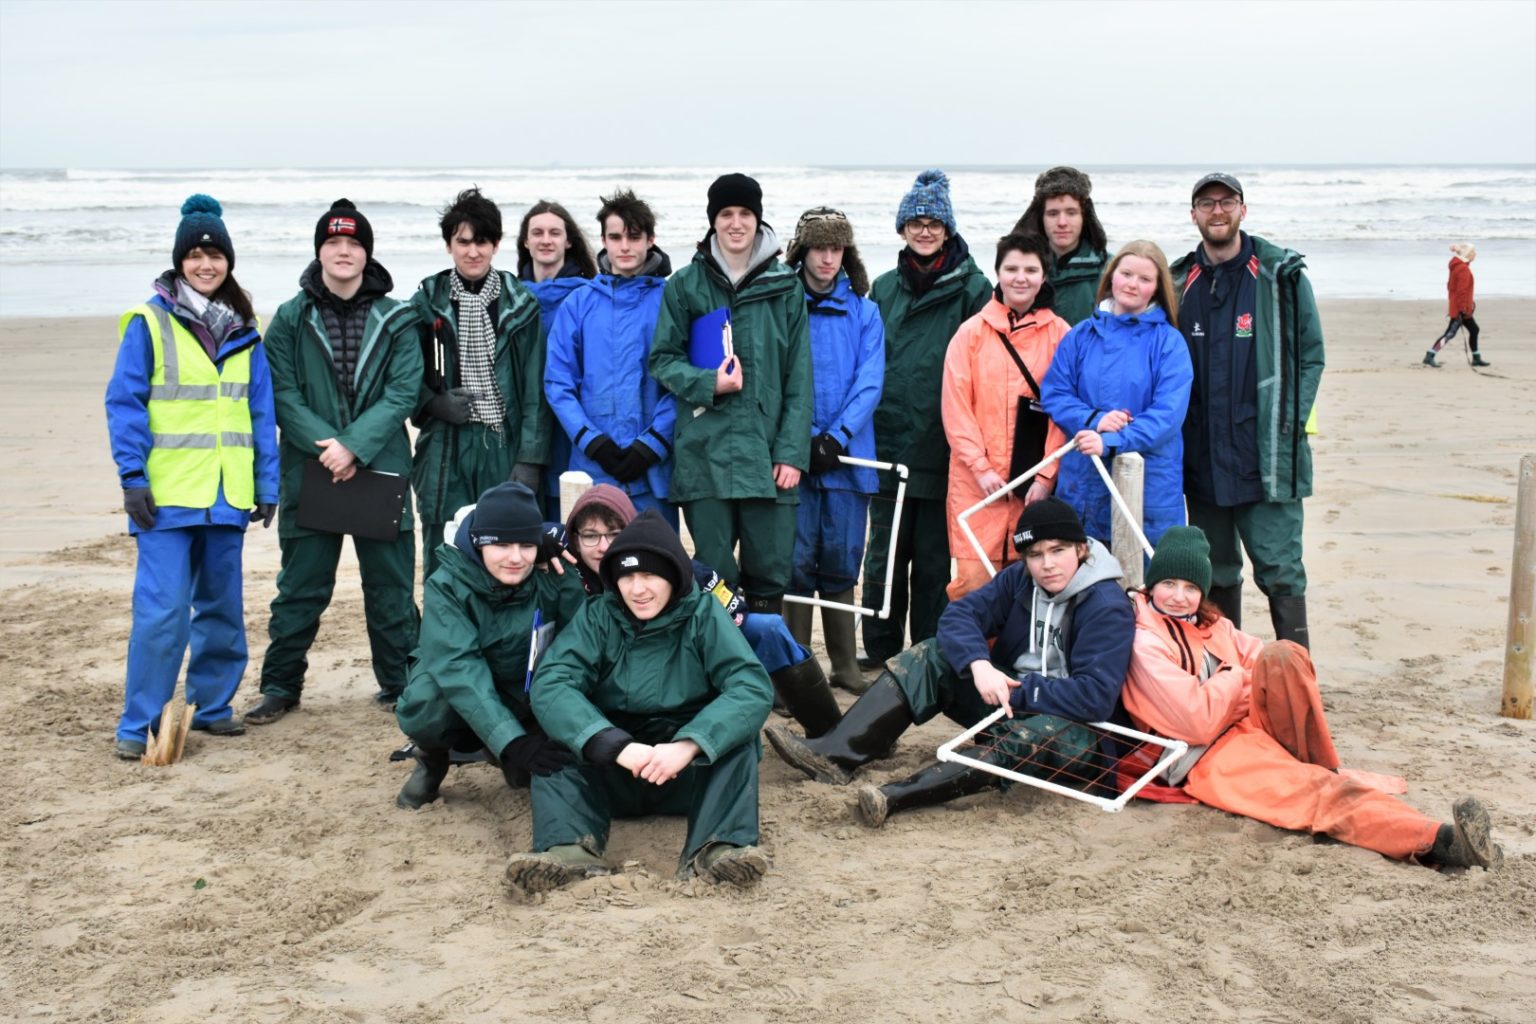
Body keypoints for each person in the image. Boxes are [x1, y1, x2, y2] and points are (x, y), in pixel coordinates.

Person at [1121, 526, 1503, 870]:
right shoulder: (1146, 640)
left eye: (1190, 587)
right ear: (1151, 585)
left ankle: (1319, 762)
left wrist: (1229, 691)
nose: (1178, 596)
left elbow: (1258, 664)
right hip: (1202, 756)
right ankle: (1438, 841)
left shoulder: (1211, 624)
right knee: (1322, 796)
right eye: (1168, 583)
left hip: (1243, 726)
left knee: (1284, 654)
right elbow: (1197, 722)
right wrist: (1233, 676)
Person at [767, 498, 1135, 831]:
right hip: (1013, 701)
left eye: (1058, 550)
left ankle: (894, 796)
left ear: (1081, 549)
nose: (1047, 563)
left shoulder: (1105, 605)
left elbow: (1096, 697)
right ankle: (837, 754)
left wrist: (1014, 691)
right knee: (931, 654)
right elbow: (959, 617)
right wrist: (979, 664)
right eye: (1036, 554)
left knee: (1029, 737)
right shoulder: (1020, 579)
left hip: (1082, 732)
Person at [505, 509, 775, 895]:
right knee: (555, 742)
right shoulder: (598, 615)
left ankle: (718, 851)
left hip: (686, 772)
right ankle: (570, 853)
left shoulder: (703, 614)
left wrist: (690, 744)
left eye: (650, 575)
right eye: (627, 576)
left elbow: (750, 686)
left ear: (674, 576)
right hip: (614, 768)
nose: (638, 589)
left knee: (739, 739)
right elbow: (552, 683)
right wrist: (610, 743)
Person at [104, 194, 279, 759]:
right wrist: (132, 477)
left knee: (223, 610)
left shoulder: (244, 329)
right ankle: (139, 725)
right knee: (161, 614)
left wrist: (267, 484)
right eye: (196, 254)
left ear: (228, 261)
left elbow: (261, 413)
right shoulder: (149, 324)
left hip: (228, 495)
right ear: (180, 260)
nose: (206, 264)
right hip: (167, 498)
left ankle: (212, 706)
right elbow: (124, 403)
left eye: (215, 254)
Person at [244, 199, 424, 726]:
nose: (343, 252)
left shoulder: (398, 318)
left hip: (381, 466)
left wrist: (356, 447)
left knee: (390, 587)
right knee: (300, 587)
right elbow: (282, 391)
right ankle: (280, 685)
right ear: (320, 251)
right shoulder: (290, 319)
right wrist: (330, 447)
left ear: (366, 253)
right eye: (332, 243)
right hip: (312, 469)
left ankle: (400, 683)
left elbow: (403, 392)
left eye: (353, 244)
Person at [647, 173, 813, 613]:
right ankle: (723, 672)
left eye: (745, 213)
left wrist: (793, 452)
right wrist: (709, 385)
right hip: (705, 453)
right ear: (712, 221)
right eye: (726, 214)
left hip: (768, 454)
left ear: (758, 220)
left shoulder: (786, 287)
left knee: (770, 571)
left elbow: (800, 376)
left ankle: (768, 676)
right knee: (714, 575)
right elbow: (661, 359)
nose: (735, 223)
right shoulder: (684, 284)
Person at [1170, 173, 1324, 646]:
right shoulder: (1177, 282)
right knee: (1215, 571)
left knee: (1280, 569)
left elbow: (1310, 356)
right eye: (1207, 203)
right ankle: (1227, 673)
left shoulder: (1280, 275)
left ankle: (1297, 676)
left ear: (1243, 210)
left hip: (1266, 459)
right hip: (1202, 459)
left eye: (1227, 202)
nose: (1217, 211)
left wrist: (1287, 424)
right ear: (1192, 214)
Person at [563, 483, 840, 738]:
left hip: (681, 663)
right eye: (590, 536)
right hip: (610, 680)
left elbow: (735, 613)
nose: (602, 547)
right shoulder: (557, 568)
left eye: (614, 534)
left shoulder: (681, 570)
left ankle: (830, 734)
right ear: (574, 538)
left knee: (767, 628)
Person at [862, 169, 992, 666]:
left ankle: (928, 653)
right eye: (915, 221)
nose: (924, 230)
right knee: (885, 556)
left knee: (935, 559)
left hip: (945, 446)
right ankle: (878, 652)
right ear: (901, 228)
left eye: (934, 222)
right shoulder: (884, 287)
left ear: (949, 229)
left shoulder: (973, 289)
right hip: (889, 444)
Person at [393, 481, 586, 809]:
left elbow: (578, 644)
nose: (515, 558)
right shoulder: (447, 584)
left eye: (526, 545)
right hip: (458, 687)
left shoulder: (551, 570)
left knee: (531, 775)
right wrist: (514, 742)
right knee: (426, 706)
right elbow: (459, 667)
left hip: (524, 688)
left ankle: (503, 746)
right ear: (478, 543)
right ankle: (431, 757)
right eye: (501, 545)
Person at [412, 188, 548, 581]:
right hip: (445, 444)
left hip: (502, 440)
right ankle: (444, 640)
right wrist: (433, 403)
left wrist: (529, 459)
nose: (473, 252)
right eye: (463, 242)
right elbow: (401, 376)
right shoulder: (425, 302)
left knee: (506, 548)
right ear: (449, 245)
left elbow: (536, 390)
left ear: (497, 245)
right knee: (445, 552)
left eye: (482, 242)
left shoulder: (521, 305)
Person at [781, 206, 885, 692]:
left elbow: (870, 380)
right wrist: (799, 439)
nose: (827, 258)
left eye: (836, 247)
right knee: (796, 560)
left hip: (848, 455)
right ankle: (800, 668)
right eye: (819, 247)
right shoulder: (780, 306)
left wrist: (836, 437)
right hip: (794, 456)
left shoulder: (865, 312)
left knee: (843, 557)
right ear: (801, 251)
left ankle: (844, 665)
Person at [941, 231, 1069, 601]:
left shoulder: (1061, 334)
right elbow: (956, 407)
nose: (1020, 277)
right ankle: (974, 657)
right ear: (997, 273)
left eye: (1031, 269)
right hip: (975, 482)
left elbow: (1064, 412)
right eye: (1011, 268)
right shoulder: (971, 334)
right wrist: (980, 467)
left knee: (1032, 582)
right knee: (971, 581)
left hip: (1031, 481)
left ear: (1043, 275)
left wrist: (1046, 476)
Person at [1041, 240, 1193, 549]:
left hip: (1149, 484)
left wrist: (1111, 441)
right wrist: (1094, 420)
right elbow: (1055, 393)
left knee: (1144, 582)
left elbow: (1168, 415)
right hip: (1083, 480)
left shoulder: (1169, 343)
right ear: (1112, 276)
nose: (1133, 284)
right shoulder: (1080, 335)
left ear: (1157, 287)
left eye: (1145, 279)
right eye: (1126, 274)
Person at [545, 189, 677, 527]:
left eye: (634, 237)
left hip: (653, 471)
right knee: (593, 564)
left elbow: (684, 381)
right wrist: (593, 441)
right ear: (604, 240)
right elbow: (558, 383)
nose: (625, 246)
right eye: (616, 237)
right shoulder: (579, 303)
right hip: (592, 467)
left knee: (655, 567)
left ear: (650, 239)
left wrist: (652, 444)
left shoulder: (673, 301)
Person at [515, 200, 598, 518]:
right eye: (537, 232)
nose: (545, 239)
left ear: (569, 241)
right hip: (524, 423)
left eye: (554, 232)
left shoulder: (589, 295)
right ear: (526, 241)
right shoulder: (511, 297)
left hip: (572, 424)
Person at [1010, 166, 1110, 326]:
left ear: (1084, 216)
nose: (1062, 223)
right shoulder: (1017, 272)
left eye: (1071, 213)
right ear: (1040, 217)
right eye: (1053, 213)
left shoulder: (1110, 271)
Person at [1424, 243, 1490, 368]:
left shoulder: (1458, 266)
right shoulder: (1463, 269)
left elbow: (1450, 286)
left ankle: (1476, 357)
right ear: (1467, 254)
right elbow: (1461, 291)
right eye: (1473, 252)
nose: (1475, 254)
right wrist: (1462, 309)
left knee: (1474, 329)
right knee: (1450, 333)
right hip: (1461, 309)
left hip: (1462, 307)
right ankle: (1430, 355)